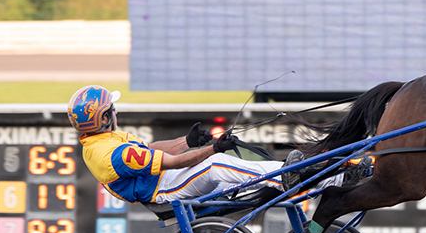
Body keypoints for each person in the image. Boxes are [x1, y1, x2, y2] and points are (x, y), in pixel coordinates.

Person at [67, 85, 369, 207]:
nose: (116, 111)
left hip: (163, 180)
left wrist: (187, 142)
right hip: (163, 190)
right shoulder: (111, 154)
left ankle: (327, 176)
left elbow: (153, 150)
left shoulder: (101, 142)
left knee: (215, 165)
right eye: (113, 109)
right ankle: (289, 177)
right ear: (106, 117)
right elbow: (170, 163)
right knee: (214, 166)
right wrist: (213, 149)